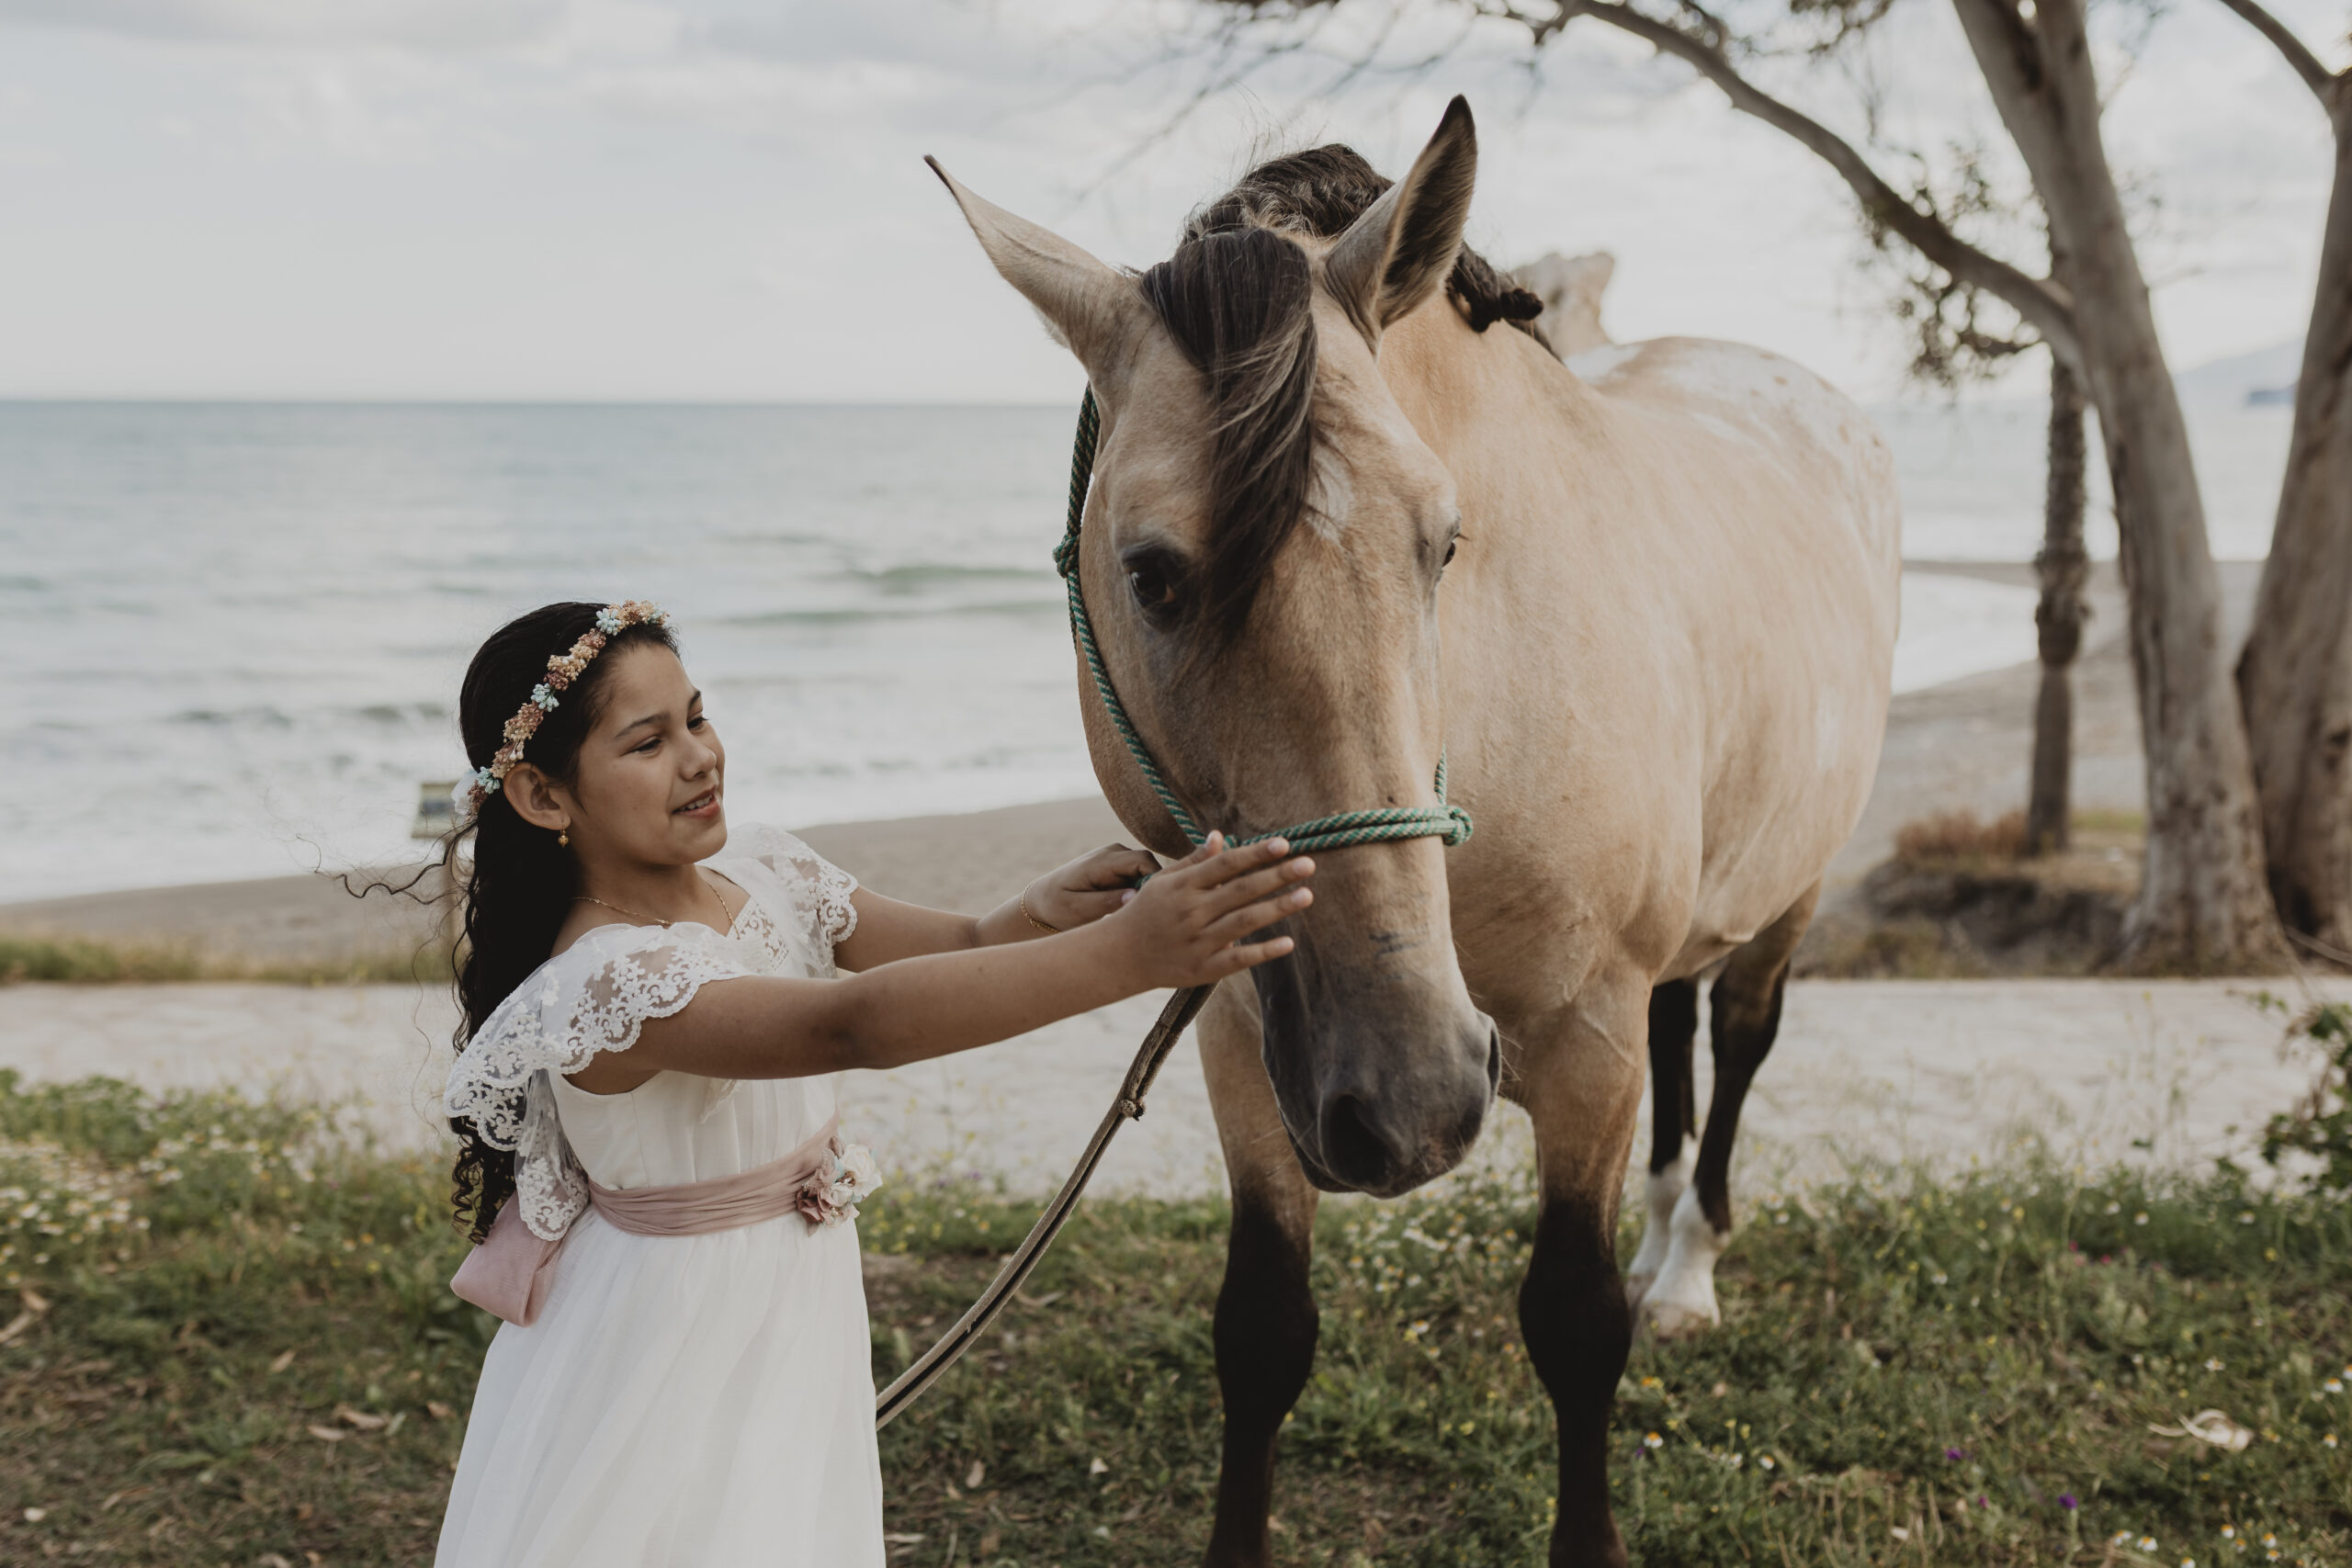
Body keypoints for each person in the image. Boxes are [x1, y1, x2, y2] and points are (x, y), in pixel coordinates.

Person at [432, 600, 1314, 1567]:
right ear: (544, 797)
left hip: (786, 1296)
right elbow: (854, 1024)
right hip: (670, 1329)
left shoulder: (764, 866)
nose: (698, 756)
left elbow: (965, 947)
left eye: (698, 716)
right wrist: (1128, 958)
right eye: (647, 742)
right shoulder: (608, 980)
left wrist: (1039, 912)